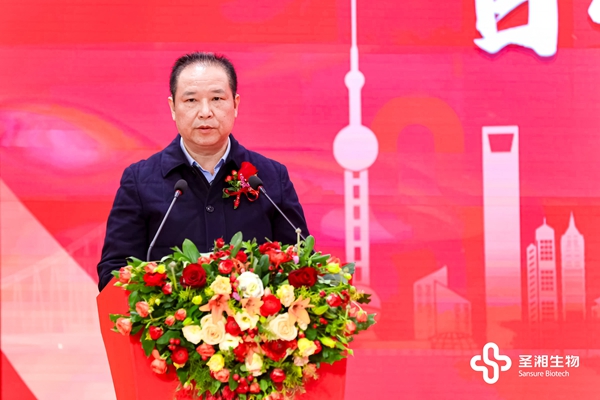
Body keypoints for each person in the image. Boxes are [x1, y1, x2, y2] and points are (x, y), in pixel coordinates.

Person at [97, 52, 308, 291]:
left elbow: (301, 264)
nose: (205, 112)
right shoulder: (139, 181)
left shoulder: (271, 178)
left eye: (217, 98)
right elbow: (115, 271)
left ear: (235, 104)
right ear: (173, 108)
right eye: (191, 100)